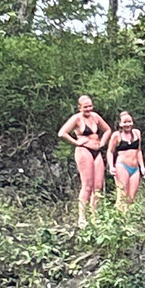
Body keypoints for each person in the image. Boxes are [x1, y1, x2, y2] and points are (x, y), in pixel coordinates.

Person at [58, 95, 111, 227]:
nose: (88, 109)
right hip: (84, 150)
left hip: (96, 150)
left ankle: (94, 216)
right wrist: (76, 142)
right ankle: (82, 217)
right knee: (87, 185)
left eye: (90, 106)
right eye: (85, 107)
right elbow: (62, 133)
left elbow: (107, 130)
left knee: (97, 186)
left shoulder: (95, 116)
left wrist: (103, 142)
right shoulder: (76, 118)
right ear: (80, 107)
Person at [107, 111, 145, 211]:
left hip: (135, 168)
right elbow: (110, 152)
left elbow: (138, 151)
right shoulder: (117, 135)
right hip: (122, 165)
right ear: (120, 124)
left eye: (129, 121)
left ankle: (128, 217)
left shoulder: (137, 133)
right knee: (122, 195)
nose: (127, 124)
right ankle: (119, 215)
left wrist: (142, 167)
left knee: (131, 198)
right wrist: (111, 166)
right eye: (125, 122)